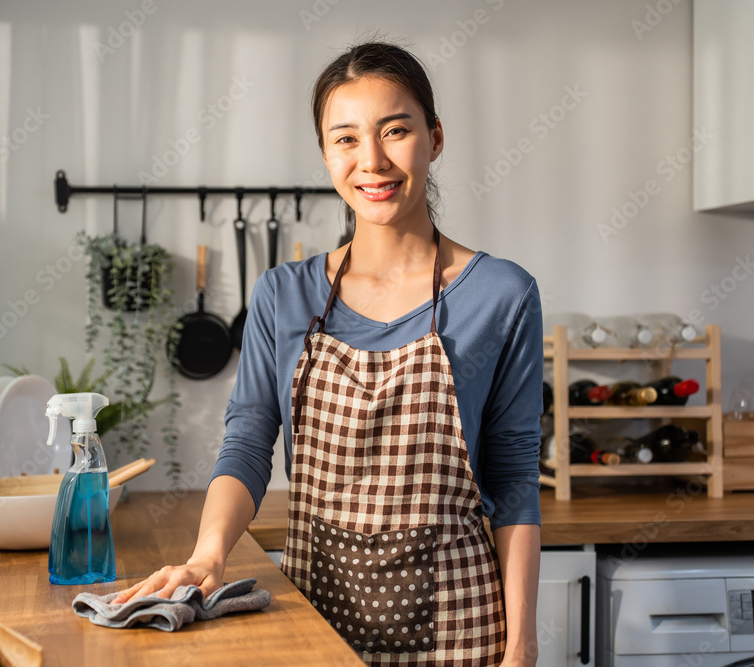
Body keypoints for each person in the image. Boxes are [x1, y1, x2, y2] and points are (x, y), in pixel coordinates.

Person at [115, 41, 542, 666]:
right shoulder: (283, 295)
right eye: (346, 139)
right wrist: (207, 554)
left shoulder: (502, 295)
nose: (372, 160)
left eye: (396, 131)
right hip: (315, 627)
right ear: (325, 154)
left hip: (464, 631)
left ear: (435, 137)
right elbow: (247, 441)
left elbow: (513, 477)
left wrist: (523, 647)